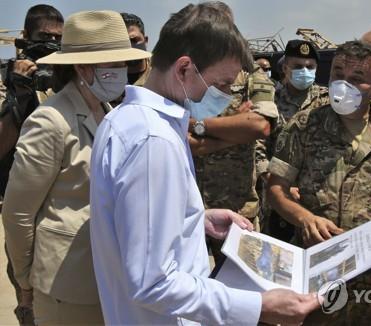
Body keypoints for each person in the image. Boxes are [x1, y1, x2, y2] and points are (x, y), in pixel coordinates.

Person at [89, 3, 319, 325]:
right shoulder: (153, 141)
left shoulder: (124, 119)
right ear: (184, 69)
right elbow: (154, 284)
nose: (225, 96)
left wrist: (194, 220)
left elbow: (131, 225)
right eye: (222, 84)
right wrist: (258, 306)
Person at [267, 40, 371, 325]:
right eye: (337, 75)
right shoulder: (304, 126)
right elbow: (276, 189)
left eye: (357, 79)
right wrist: (305, 218)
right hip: (321, 276)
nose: (343, 85)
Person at [2, 10, 150, 325]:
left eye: (124, 63)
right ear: (82, 67)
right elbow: (18, 213)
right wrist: (26, 279)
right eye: (114, 64)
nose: (123, 71)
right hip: (66, 285)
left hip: (108, 276)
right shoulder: (50, 119)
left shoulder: (108, 110)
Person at [188, 1, 278, 266]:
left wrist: (198, 125)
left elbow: (259, 126)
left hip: (237, 208)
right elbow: (183, 140)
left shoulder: (251, 74)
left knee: (244, 289)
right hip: (185, 207)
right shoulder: (183, 73)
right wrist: (234, 125)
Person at [0, 4, 63, 325]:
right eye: (43, 36)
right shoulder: (6, 79)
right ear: (25, 37)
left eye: (57, 38)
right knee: (32, 305)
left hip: (64, 212)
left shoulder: (64, 80)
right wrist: (17, 94)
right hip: (24, 212)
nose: (51, 42)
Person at [257, 39, 330, 241]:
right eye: (298, 66)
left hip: (318, 197)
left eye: (309, 67)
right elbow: (257, 146)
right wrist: (272, 180)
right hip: (277, 196)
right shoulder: (269, 100)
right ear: (285, 67)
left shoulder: (328, 101)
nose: (304, 71)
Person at [120, 12, 151, 86]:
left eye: (134, 40)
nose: (129, 47)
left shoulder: (161, 73)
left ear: (145, 41)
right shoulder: (108, 78)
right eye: (123, 42)